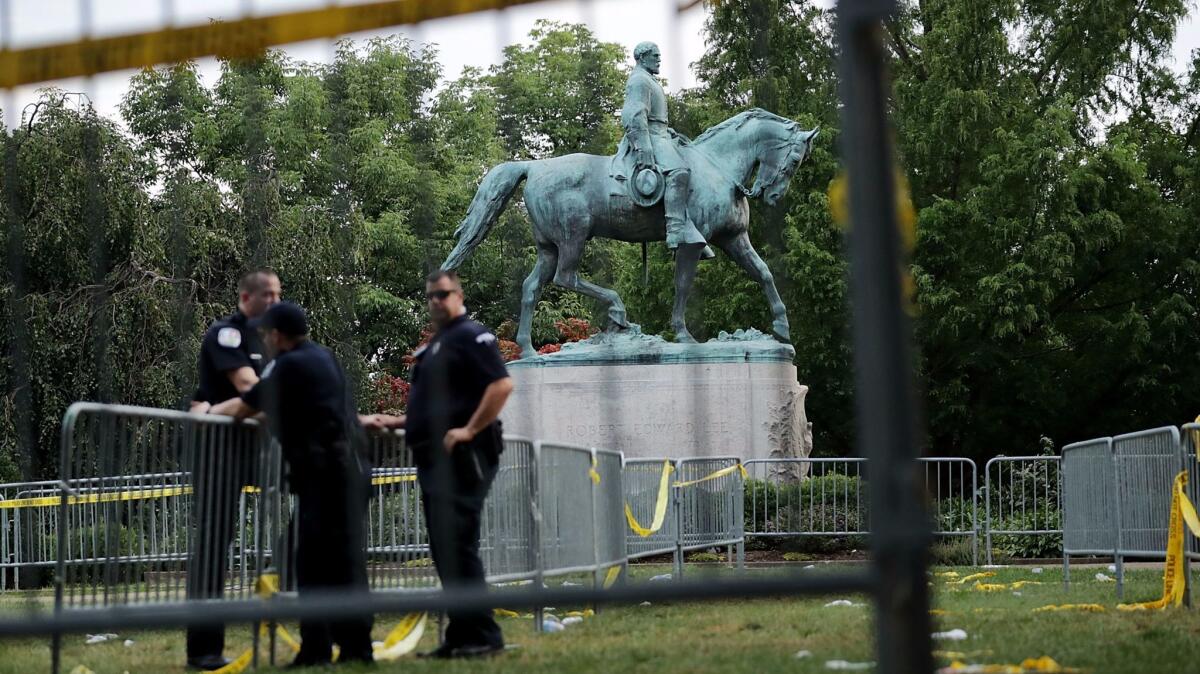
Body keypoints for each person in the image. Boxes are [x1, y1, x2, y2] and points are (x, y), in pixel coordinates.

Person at [211, 301, 375, 668]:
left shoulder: (287, 364)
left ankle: (317, 649)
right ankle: (356, 648)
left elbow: (244, 408)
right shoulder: (323, 356)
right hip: (350, 468)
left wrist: (207, 411)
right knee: (345, 562)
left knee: (313, 564)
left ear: (276, 335)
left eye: (266, 335)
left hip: (326, 475)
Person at [363, 270, 512, 659]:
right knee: (446, 547)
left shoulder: (470, 335)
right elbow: (433, 409)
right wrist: (395, 422)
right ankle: (462, 636)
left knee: (458, 544)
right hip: (434, 458)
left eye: (443, 294)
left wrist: (468, 430)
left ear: (459, 295)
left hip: (465, 456)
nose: (436, 301)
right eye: (430, 296)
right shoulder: (437, 345)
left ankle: (485, 636)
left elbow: (501, 385)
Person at [185, 269, 280, 671]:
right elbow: (250, 389)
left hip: (263, 449)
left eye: (279, 295)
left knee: (313, 518)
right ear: (246, 299)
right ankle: (204, 650)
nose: (275, 302)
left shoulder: (278, 340)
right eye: (268, 295)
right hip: (219, 452)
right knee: (212, 546)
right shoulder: (228, 334)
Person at [620, 41, 707, 253]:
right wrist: (643, 147)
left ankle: (691, 227)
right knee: (679, 172)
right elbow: (634, 115)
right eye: (655, 56)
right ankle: (675, 230)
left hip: (661, 135)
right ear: (641, 58)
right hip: (649, 138)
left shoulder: (649, 79)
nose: (659, 59)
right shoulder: (640, 80)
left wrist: (668, 132)